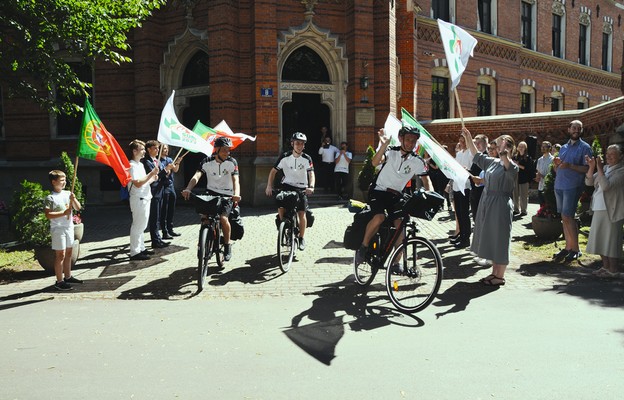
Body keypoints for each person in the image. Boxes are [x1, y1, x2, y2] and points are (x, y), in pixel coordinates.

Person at [354, 126, 430, 270]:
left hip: (396, 195)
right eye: (408, 139)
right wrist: (383, 145)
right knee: (379, 217)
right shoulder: (391, 152)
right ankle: (363, 247)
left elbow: (426, 180)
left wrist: (429, 194)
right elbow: (375, 162)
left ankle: (396, 262)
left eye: (414, 141)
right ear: (401, 139)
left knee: (400, 223)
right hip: (378, 191)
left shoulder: (417, 161)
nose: (410, 143)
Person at [461, 128, 518, 286]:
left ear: (509, 148)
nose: (498, 148)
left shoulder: (511, 165)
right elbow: (476, 155)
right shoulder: (492, 162)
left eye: (501, 146)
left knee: (500, 238)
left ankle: (500, 276)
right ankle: (494, 272)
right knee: (491, 237)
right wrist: (468, 137)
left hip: (501, 204)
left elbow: (507, 165)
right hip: (488, 201)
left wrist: (504, 154)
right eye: (498, 145)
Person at [182, 137, 241, 261]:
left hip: (227, 194)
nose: (227, 153)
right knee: (205, 218)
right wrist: (188, 188)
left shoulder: (232, 162)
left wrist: (236, 194)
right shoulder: (206, 161)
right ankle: (202, 244)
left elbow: (236, 180)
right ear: (217, 150)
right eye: (224, 150)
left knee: (224, 219)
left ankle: (227, 245)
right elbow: (197, 175)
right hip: (211, 193)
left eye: (228, 150)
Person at [265, 132, 315, 251]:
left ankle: (301, 238)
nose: (299, 146)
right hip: (287, 186)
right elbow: (273, 172)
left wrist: (311, 186)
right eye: (297, 143)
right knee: (281, 204)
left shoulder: (307, 158)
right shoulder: (285, 157)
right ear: (292, 144)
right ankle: (284, 223)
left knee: (301, 213)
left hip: (302, 188)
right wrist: (268, 186)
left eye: (302, 144)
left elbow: (311, 173)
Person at [552, 120, 593, 262]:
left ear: (581, 131)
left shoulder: (585, 148)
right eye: (573, 128)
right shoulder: (563, 148)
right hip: (559, 185)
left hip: (573, 186)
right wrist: (556, 165)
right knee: (564, 217)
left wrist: (570, 165)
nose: (576, 130)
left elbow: (587, 169)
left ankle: (576, 249)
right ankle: (568, 247)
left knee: (569, 216)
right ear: (569, 129)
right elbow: (558, 169)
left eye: (579, 128)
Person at [585, 144, 624, 278]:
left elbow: (606, 186)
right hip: (598, 208)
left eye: (612, 154)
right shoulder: (606, 168)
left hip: (612, 211)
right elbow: (589, 182)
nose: (609, 157)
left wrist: (599, 168)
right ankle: (606, 267)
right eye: (607, 154)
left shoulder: (621, 171)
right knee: (600, 240)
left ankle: (613, 270)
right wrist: (591, 167)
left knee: (611, 241)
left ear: (621, 156)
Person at [44, 170, 83, 290]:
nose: (64, 182)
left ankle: (68, 276)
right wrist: (63, 213)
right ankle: (59, 280)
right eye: (61, 180)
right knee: (60, 254)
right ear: (53, 182)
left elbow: (78, 207)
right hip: (58, 229)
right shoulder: (50, 198)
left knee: (69, 253)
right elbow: (48, 215)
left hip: (69, 227)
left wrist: (74, 199)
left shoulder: (67, 194)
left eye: (65, 179)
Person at [127, 139, 159, 261]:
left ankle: (141, 248)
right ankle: (135, 252)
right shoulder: (132, 165)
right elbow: (138, 183)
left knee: (142, 225)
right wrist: (151, 174)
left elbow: (144, 182)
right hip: (138, 198)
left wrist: (152, 179)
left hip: (145, 197)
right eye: (142, 149)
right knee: (138, 225)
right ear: (135, 151)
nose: (144, 152)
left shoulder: (140, 165)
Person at [141, 140, 174, 249]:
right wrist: (165, 170)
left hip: (160, 191)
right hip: (153, 192)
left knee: (158, 216)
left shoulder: (157, 161)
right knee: (154, 217)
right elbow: (154, 176)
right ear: (149, 149)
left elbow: (162, 176)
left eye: (158, 148)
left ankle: (158, 238)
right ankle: (155, 240)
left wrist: (167, 171)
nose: (158, 150)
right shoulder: (146, 162)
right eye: (155, 148)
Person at [450, 135, 473, 248]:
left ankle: (466, 238)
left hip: (465, 186)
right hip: (456, 186)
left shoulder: (470, 153)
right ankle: (460, 234)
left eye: (464, 141)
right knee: (458, 212)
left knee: (464, 213)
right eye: (460, 141)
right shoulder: (459, 154)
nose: (461, 143)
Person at [160, 144, 183, 239]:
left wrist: (177, 162)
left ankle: (170, 229)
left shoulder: (169, 159)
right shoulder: (158, 161)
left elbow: (176, 170)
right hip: (163, 186)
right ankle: (164, 231)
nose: (165, 150)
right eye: (164, 148)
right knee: (164, 209)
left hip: (170, 185)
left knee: (171, 208)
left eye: (166, 148)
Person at [469, 134, 488, 219]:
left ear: (485, 144)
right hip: (475, 190)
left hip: (483, 191)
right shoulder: (477, 157)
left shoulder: (487, 157)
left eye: (479, 143)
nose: (476, 145)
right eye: (475, 143)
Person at [512, 141, 534, 216]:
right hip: (515, 177)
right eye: (520, 146)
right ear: (517, 148)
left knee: (523, 195)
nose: (521, 148)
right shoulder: (514, 157)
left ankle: (524, 210)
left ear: (525, 148)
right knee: (515, 194)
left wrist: (518, 165)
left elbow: (528, 168)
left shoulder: (528, 158)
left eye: (523, 147)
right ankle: (516, 209)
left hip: (524, 178)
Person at [535, 141, 554, 205]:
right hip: (540, 186)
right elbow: (538, 172)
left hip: (548, 187)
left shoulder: (552, 159)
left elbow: (553, 175)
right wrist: (537, 177)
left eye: (544, 147)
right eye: (542, 146)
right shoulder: (540, 160)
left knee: (548, 206)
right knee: (541, 205)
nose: (542, 148)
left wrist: (542, 176)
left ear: (549, 148)